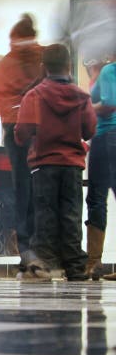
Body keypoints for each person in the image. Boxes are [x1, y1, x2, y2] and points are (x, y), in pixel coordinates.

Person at [15, 44, 97, 280]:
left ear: (43, 67)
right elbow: (89, 130)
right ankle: (75, 266)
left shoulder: (35, 95)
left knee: (45, 215)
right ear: (69, 66)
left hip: (44, 164)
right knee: (71, 214)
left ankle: (46, 264)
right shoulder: (82, 96)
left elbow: (21, 133)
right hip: (72, 165)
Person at [0, 14, 43, 272]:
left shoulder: (5, 66)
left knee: (23, 190)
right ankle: (49, 249)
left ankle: (28, 250)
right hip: (45, 132)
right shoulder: (45, 58)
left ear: (14, 39)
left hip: (16, 131)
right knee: (45, 191)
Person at [84, 54, 116, 281]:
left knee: (96, 197)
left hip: (106, 136)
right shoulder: (104, 72)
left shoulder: (109, 71)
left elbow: (107, 105)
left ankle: (94, 263)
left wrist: (85, 107)